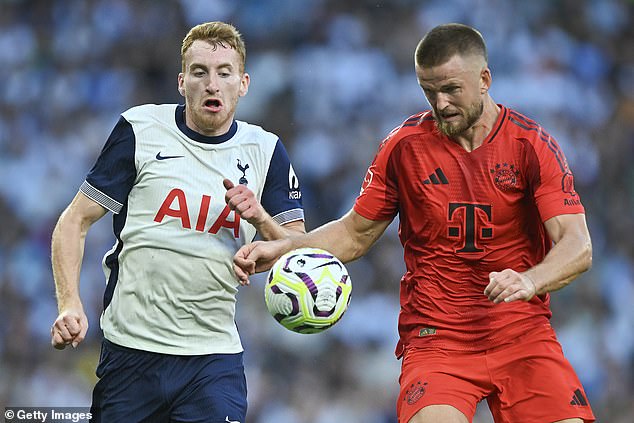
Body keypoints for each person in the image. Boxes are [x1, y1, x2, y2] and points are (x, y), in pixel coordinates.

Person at [233, 23, 595, 423]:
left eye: (451, 89)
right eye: (429, 91)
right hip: (437, 340)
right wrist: (284, 246)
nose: (440, 104)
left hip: (522, 335)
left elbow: (577, 246)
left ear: (485, 79)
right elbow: (355, 233)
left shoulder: (532, 146)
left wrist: (531, 280)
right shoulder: (404, 147)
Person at [50, 21, 305, 423]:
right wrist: (69, 304)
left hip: (212, 361)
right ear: (181, 82)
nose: (212, 84)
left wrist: (260, 218)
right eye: (200, 72)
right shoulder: (141, 129)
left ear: (244, 84)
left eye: (225, 73)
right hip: (131, 353)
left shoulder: (266, 150)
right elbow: (74, 221)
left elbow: (297, 250)